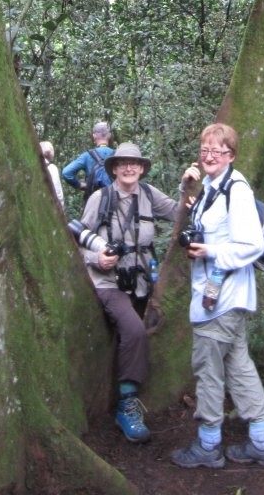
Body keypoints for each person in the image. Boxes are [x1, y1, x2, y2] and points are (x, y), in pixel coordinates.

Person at [171, 123, 264, 470]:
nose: (209, 156)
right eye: (204, 149)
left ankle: (208, 445)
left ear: (231, 155)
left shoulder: (237, 189)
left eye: (217, 150)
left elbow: (251, 245)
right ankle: (261, 443)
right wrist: (186, 192)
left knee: (208, 369)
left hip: (221, 298)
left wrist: (211, 251)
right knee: (239, 366)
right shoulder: (210, 189)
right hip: (222, 297)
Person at [79, 143, 200, 443]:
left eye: (134, 163)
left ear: (142, 168)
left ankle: (127, 387)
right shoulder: (100, 198)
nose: (129, 168)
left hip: (142, 283)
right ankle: (127, 405)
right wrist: (97, 258)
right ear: (115, 169)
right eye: (123, 164)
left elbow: (176, 214)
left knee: (146, 327)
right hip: (108, 283)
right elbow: (78, 240)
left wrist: (189, 189)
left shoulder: (148, 195)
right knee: (133, 331)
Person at [62, 121, 114, 199]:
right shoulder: (117, 155)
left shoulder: (87, 156)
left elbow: (66, 173)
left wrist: (80, 185)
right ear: (109, 136)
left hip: (93, 199)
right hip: (114, 198)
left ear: (94, 136)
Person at [39, 141, 64, 208]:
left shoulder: (34, 166)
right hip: (49, 206)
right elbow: (57, 191)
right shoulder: (52, 168)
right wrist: (61, 207)